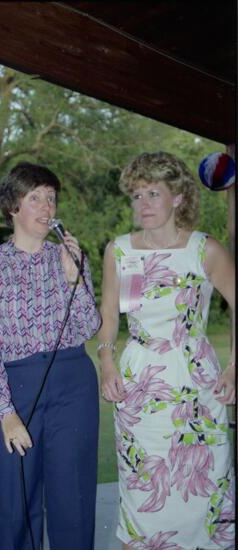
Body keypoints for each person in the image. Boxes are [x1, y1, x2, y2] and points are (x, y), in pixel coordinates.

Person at [98, 152, 235, 549]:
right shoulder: (120, 251)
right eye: (137, 195)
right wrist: (107, 362)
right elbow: (109, 314)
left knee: (204, 487)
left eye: (153, 193)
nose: (143, 204)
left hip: (195, 382)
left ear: (178, 197)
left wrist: (233, 369)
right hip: (139, 384)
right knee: (143, 490)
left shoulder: (204, 250)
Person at [0, 161, 101, 550]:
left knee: (72, 496)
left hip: (74, 380)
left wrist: (72, 277)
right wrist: (6, 413)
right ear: (12, 206)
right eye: (35, 197)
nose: (47, 207)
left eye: (51, 198)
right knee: (18, 499)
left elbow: (89, 327)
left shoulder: (69, 259)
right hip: (16, 387)